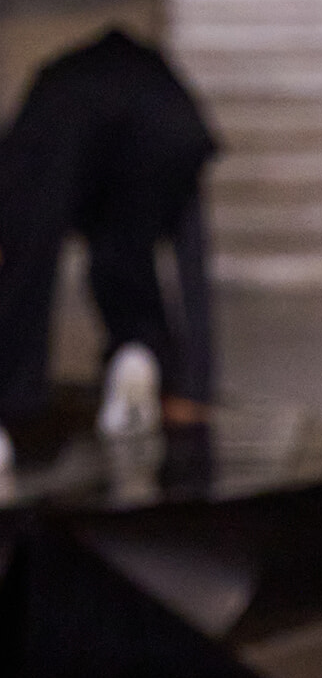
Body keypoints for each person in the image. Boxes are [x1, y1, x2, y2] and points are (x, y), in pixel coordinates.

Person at [0, 28, 217, 470]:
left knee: (33, 260)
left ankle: (14, 404)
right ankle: (141, 355)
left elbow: (27, 259)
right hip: (169, 119)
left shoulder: (31, 145)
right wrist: (197, 385)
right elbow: (192, 259)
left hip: (77, 117)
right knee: (121, 255)